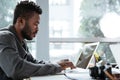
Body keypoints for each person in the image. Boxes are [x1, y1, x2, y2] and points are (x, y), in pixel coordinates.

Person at [0, 1, 75, 80]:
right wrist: (55, 67)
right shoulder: (4, 37)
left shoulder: (21, 40)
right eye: (35, 24)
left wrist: (56, 64)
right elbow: (16, 69)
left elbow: (33, 63)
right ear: (20, 21)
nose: (37, 28)